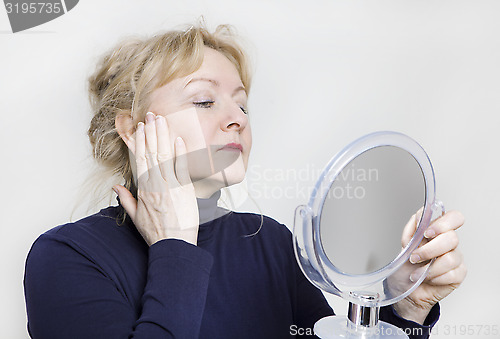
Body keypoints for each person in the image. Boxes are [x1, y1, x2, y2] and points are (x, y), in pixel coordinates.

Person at [23, 23, 467, 339]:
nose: (236, 119)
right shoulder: (66, 258)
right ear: (131, 126)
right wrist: (175, 247)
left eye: (243, 106)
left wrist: (406, 309)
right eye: (203, 100)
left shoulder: (270, 243)